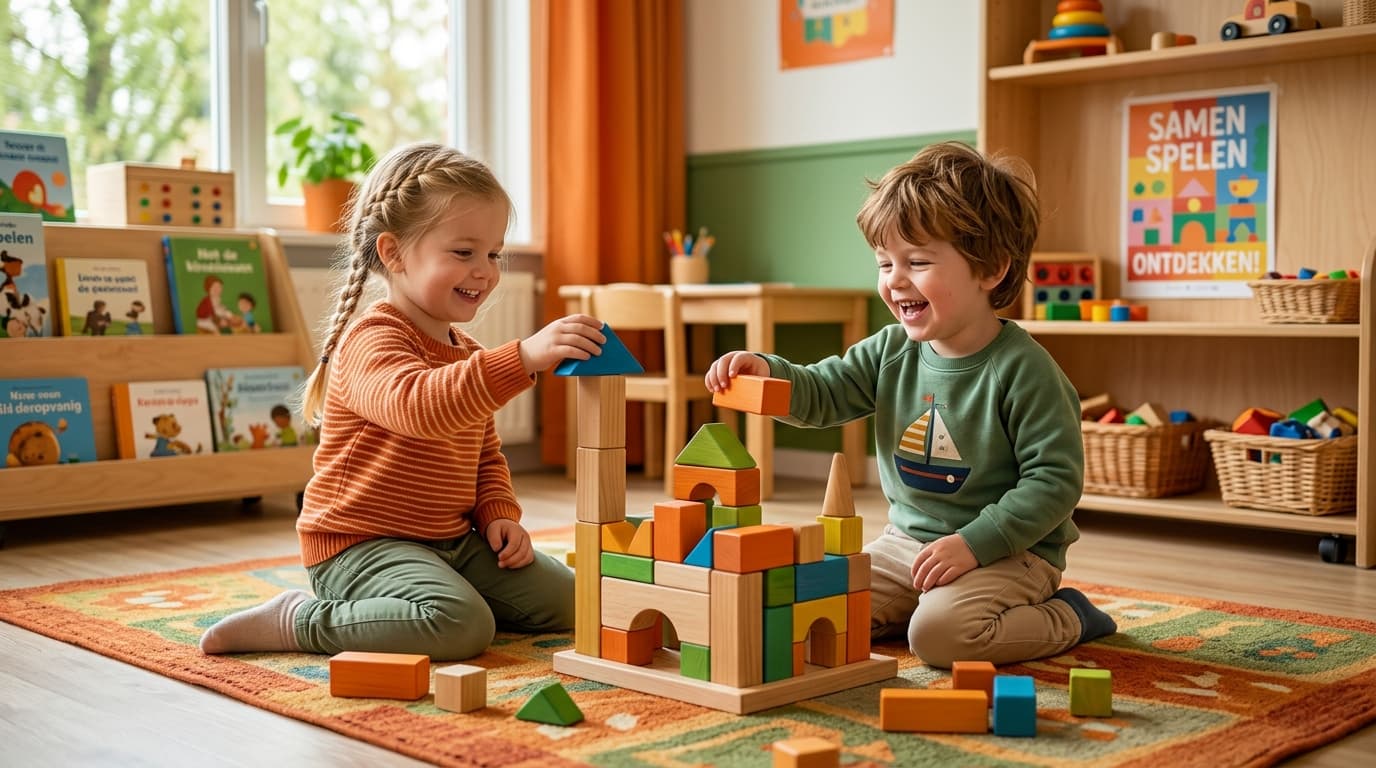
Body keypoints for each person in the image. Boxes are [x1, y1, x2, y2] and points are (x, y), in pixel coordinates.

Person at [705, 141, 1116, 668]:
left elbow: (1054, 482)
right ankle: (911, 607)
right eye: (884, 263)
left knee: (941, 638)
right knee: (805, 608)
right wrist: (768, 371)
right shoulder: (890, 350)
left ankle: (1071, 615)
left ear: (990, 270)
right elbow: (825, 391)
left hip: (1010, 553)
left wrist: (974, 544)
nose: (895, 280)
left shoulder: (1025, 370)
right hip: (907, 544)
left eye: (918, 262)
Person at [199, 142, 605, 660]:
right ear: (393, 254)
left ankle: (435, 597)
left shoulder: (468, 354)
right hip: (359, 546)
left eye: (493, 254)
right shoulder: (372, 338)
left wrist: (497, 511)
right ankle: (299, 620)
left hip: (451, 540)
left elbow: (484, 454)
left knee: (576, 600)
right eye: (464, 253)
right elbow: (420, 408)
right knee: (459, 626)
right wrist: (523, 357)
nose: (485, 270)